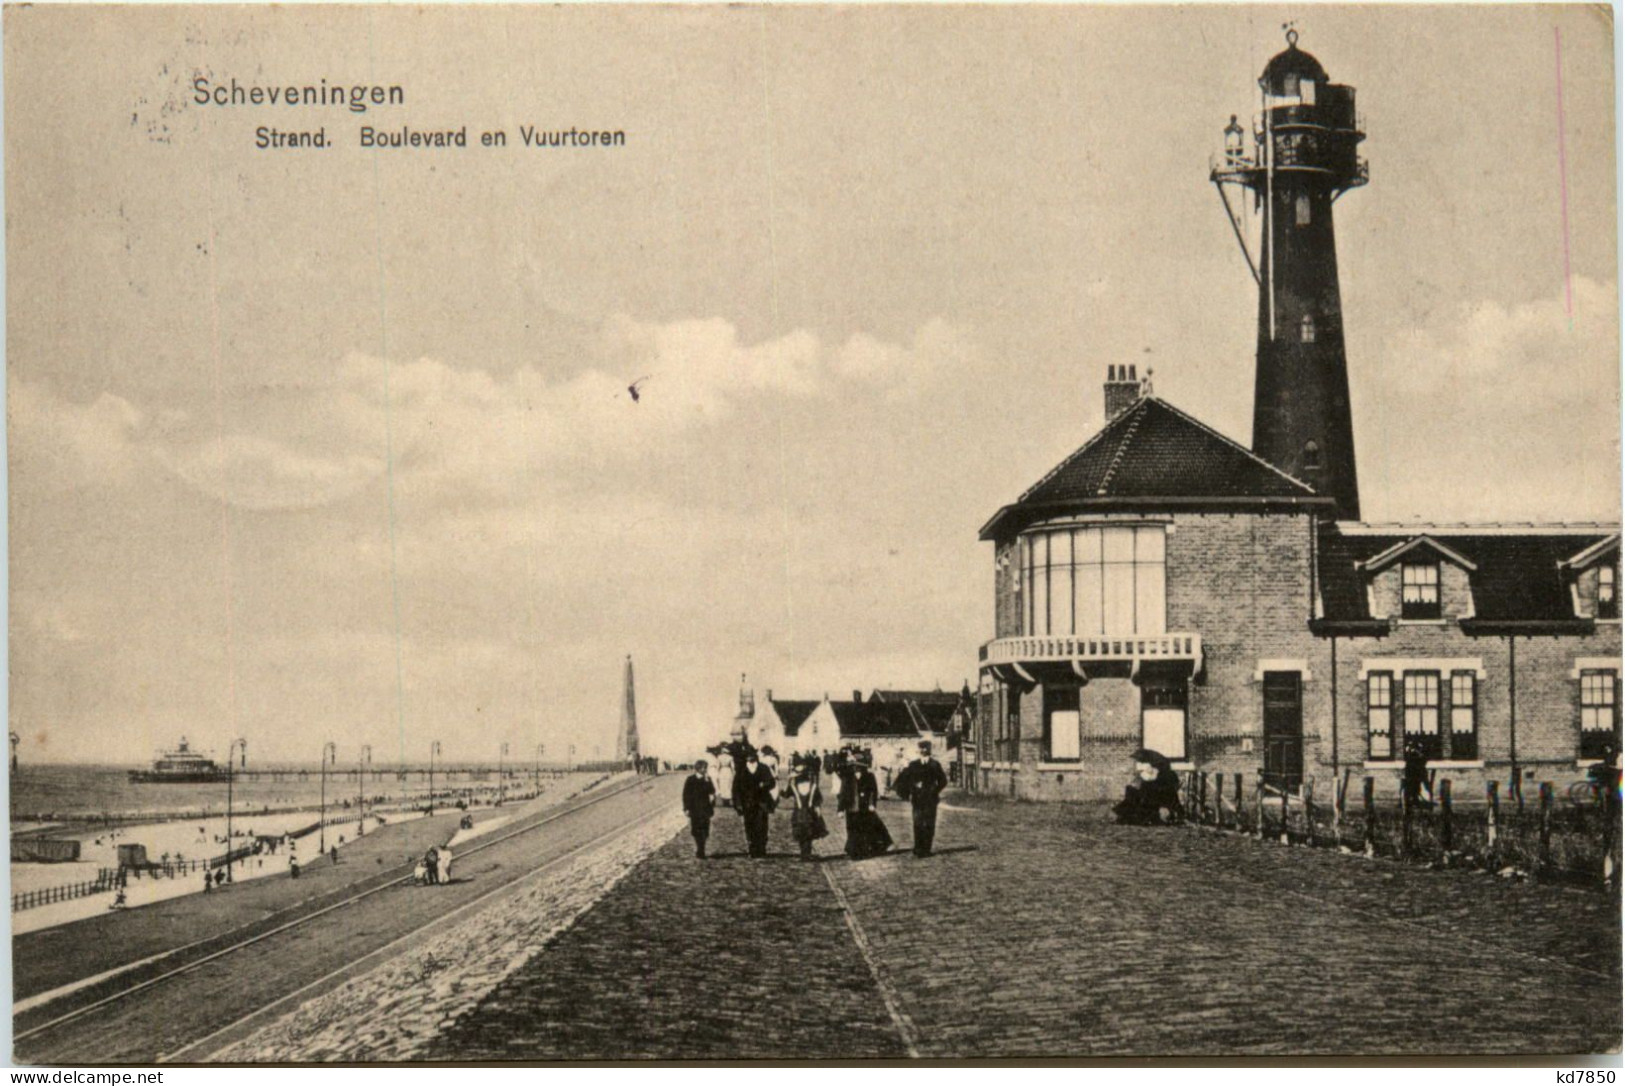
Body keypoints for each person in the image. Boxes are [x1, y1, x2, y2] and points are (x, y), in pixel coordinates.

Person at [893, 740, 949, 857]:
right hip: (917, 799)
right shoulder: (913, 765)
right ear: (919, 750)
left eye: (926, 748)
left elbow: (943, 781)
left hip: (931, 799)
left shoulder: (935, 764)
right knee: (917, 823)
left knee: (929, 823)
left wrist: (934, 790)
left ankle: (927, 849)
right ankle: (918, 848)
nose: (923, 751)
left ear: (929, 750)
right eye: (921, 748)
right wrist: (910, 790)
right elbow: (904, 779)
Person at [838, 750, 893, 859]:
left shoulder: (869, 776)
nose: (856, 768)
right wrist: (840, 809)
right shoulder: (847, 777)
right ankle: (854, 851)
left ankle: (865, 850)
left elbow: (873, 791)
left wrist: (872, 804)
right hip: (851, 807)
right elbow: (843, 793)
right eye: (854, 766)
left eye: (858, 766)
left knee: (864, 828)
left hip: (865, 807)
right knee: (852, 829)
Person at [1113, 748, 1184, 825]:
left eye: (1140, 760)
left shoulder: (1163, 773)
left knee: (1137, 796)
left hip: (1160, 793)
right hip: (1158, 792)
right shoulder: (1160, 769)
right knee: (1135, 794)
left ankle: (1132, 816)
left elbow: (1155, 784)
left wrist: (1146, 782)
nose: (1140, 762)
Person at [736, 750, 777, 858]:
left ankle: (761, 848)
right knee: (749, 825)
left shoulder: (763, 768)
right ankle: (752, 849)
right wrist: (738, 803)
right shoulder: (741, 769)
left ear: (755, 756)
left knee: (762, 826)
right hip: (747, 803)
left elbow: (772, 782)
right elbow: (736, 788)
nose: (750, 758)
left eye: (752, 755)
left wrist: (765, 784)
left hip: (761, 802)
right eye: (748, 756)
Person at [787, 758, 827, 861]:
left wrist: (817, 807)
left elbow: (817, 798)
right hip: (805, 812)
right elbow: (786, 793)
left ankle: (805, 854)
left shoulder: (808, 786)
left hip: (804, 812)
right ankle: (805, 853)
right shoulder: (800, 786)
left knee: (806, 833)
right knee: (805, 833)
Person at [682, 759, 718, 859]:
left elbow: (712, 791)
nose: (705, 769)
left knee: (705, 830)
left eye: (705, 768)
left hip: (705, 808)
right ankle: (700, 849)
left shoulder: (707, 779)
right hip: (694, 808)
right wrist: (686, 808)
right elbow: (686, 795)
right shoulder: (690, 779)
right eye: (703, 768)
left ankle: (702, 847)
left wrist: (712, 798)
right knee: (696, 829)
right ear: (698, 768)